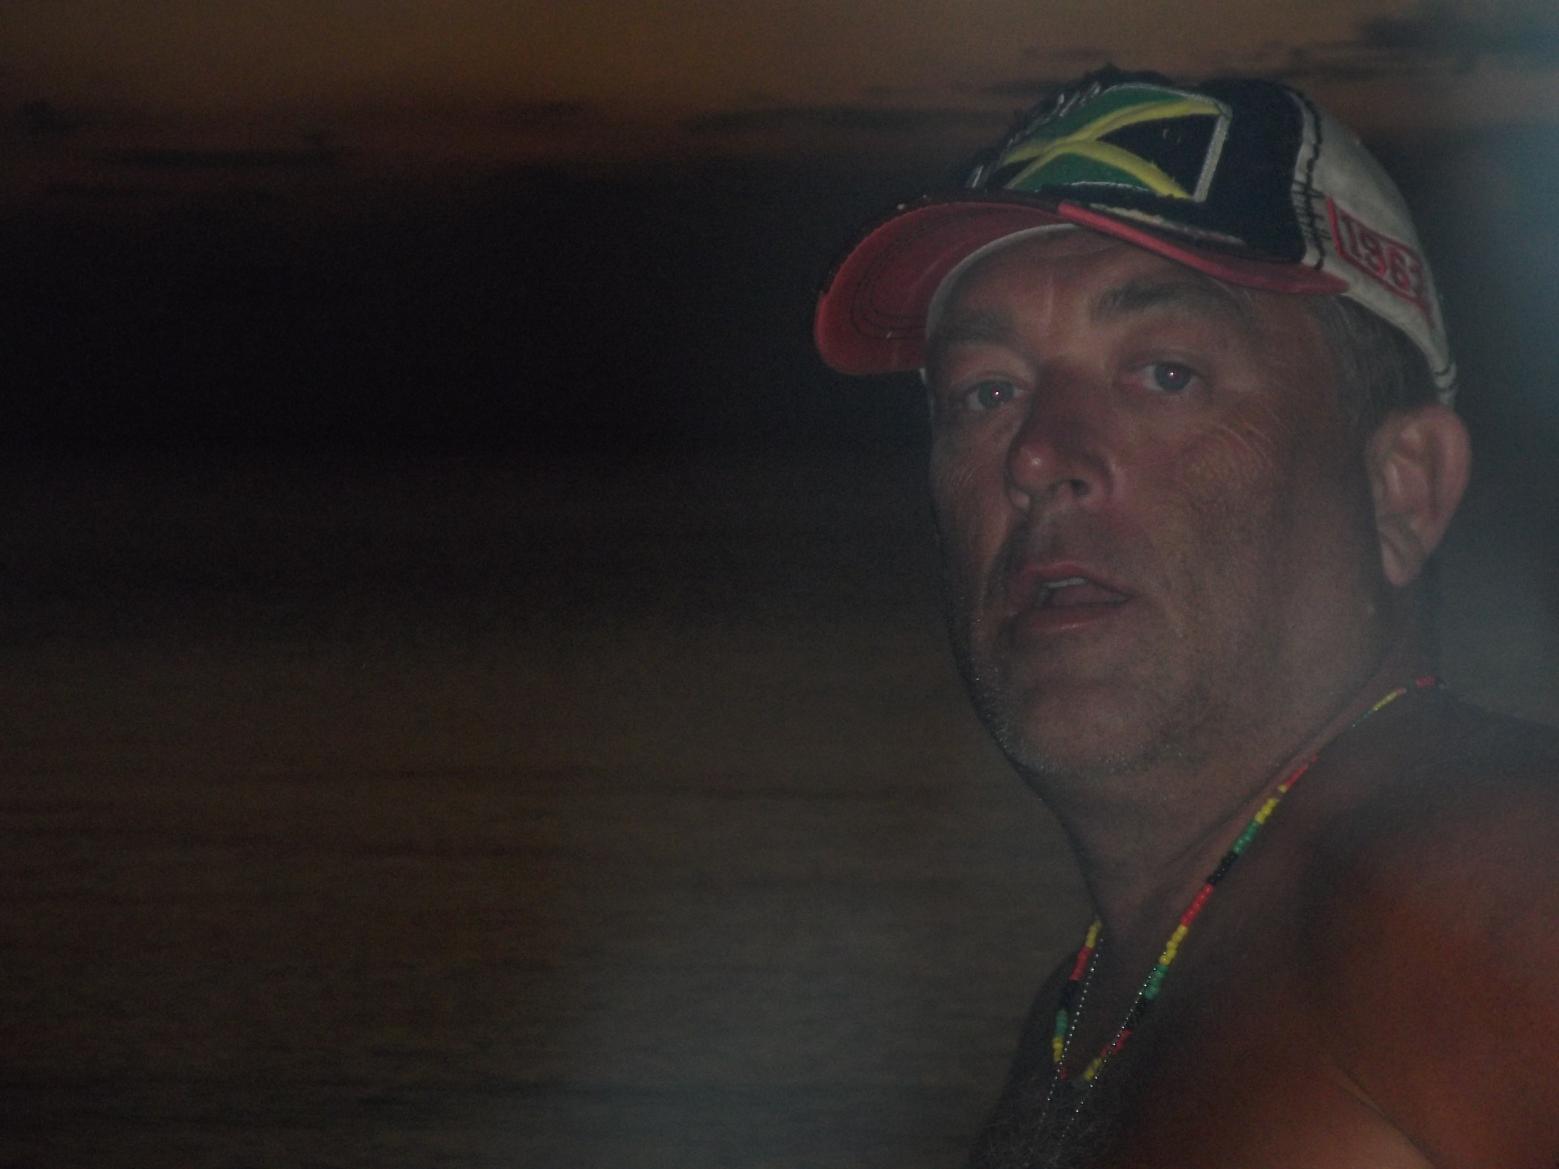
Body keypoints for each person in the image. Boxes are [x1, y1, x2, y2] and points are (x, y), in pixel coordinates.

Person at [813, 68, 1559, 1168]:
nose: (1037, 455)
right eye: (986, 391)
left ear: (1399, 489)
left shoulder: (1483, 883)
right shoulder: (1095, 1005)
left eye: (1164, 373)